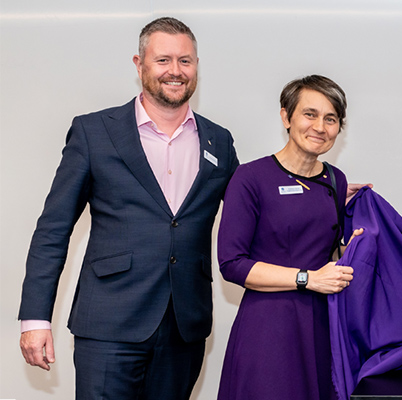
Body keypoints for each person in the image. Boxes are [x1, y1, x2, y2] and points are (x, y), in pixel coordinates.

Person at [18, 17, 239, 400]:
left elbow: (251, 205)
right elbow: (53, 229)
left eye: (185, 61)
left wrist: (321, 191)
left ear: (197, 65)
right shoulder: (93, 132)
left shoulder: (219, 141)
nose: (176, 71)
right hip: (108, 326)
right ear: (139, 65)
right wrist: (35, 319)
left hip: (184, 327)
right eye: (163, 60)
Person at [216, 75, 365, 400]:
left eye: (331, 118)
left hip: (321, 325)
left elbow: (326, 249)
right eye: (309, 114)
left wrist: (355, 247)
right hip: (269, 326)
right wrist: (307, 279)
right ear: (286, 116)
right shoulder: (250, 178)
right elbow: (232, 264)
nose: (320, 127)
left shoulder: (335, 180)